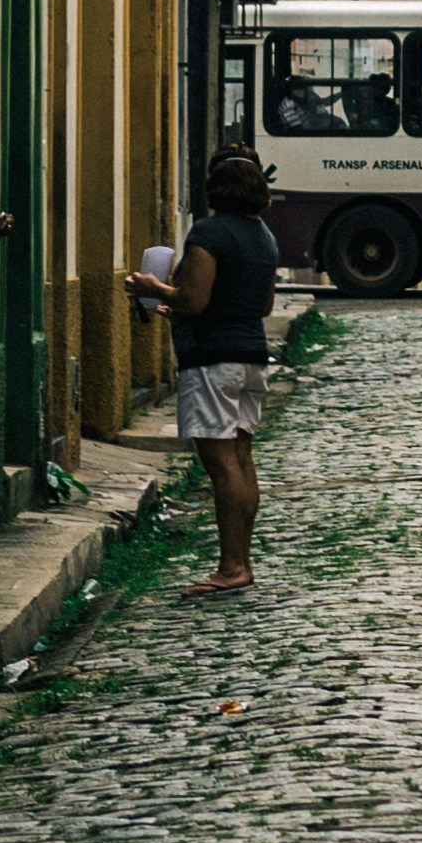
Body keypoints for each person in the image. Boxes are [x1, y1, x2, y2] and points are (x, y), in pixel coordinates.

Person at [135, 146, 281, 594]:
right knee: (240, 456)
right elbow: (265, 303)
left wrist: (151, 286)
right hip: (250, 353)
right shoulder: (264, 237)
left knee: (219, 463)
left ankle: (232, 566)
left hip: (213, 358)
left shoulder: (210, 232)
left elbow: (195, 300)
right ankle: (243, 561)